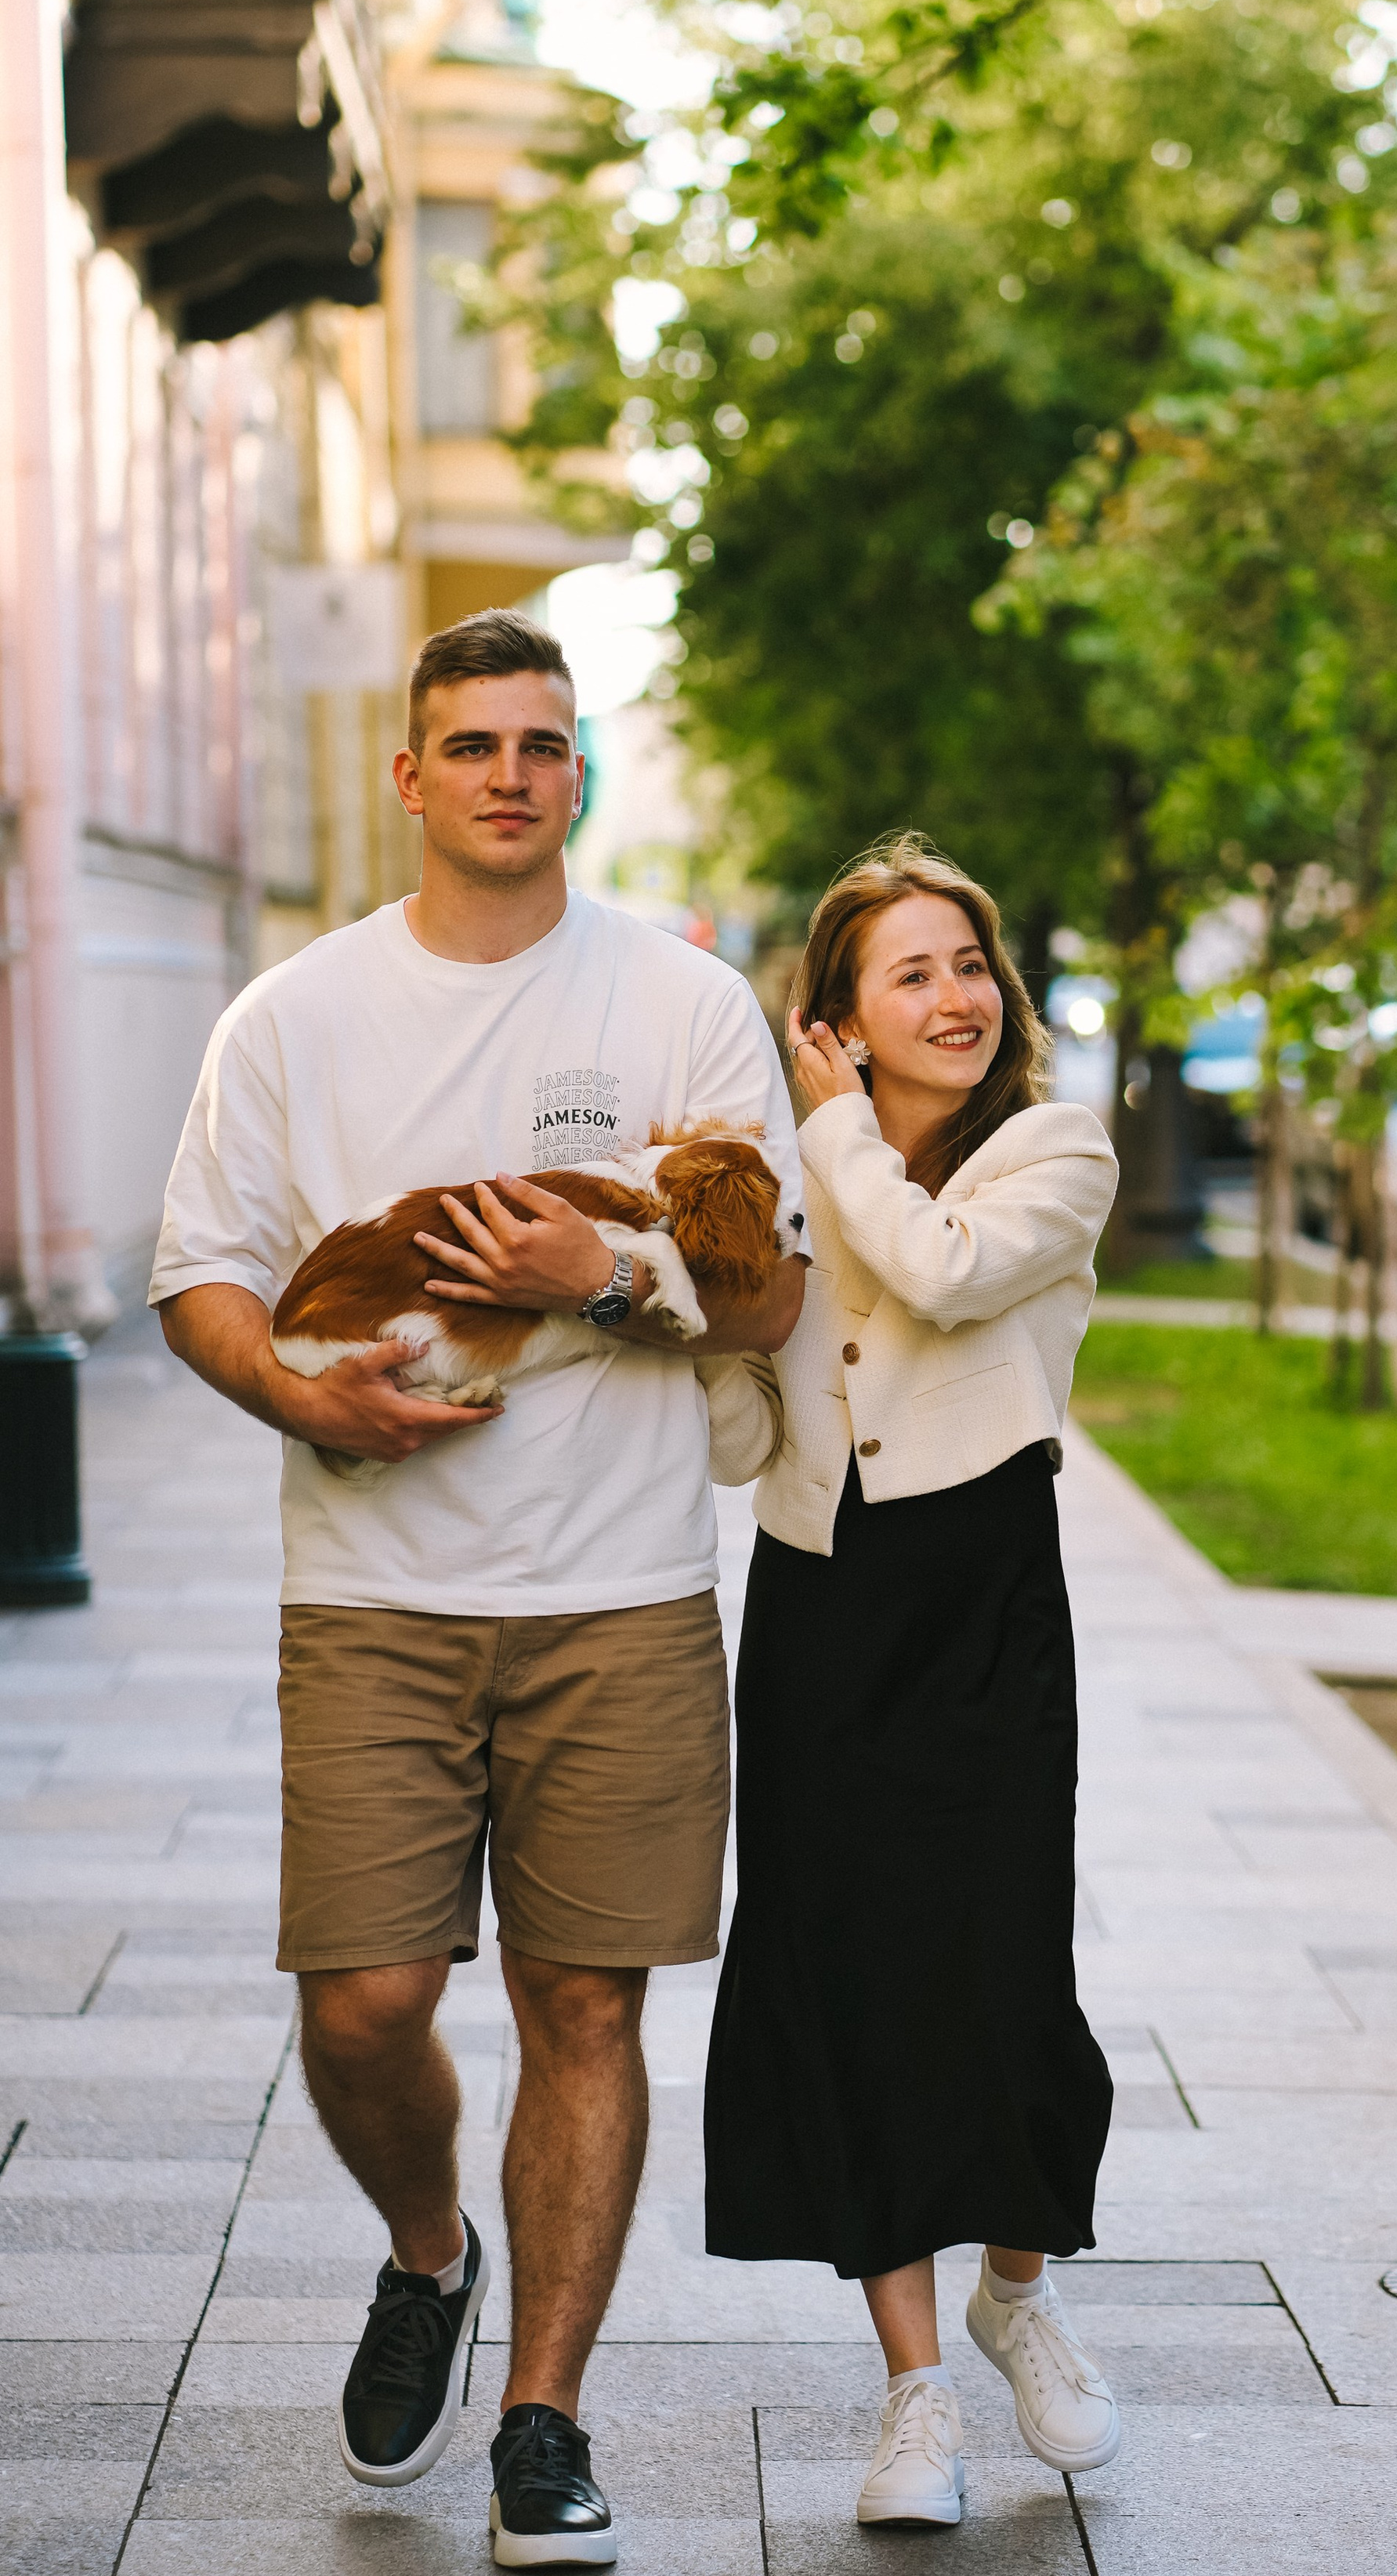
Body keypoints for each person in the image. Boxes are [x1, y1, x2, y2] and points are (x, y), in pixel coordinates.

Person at [150, 608, 805, 2571]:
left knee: (581, 2002)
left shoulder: (683, 1009)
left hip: (618, 1593)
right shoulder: (293, 1016)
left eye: (544, 742)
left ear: (576, 776)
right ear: (411, 774)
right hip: (368, 1589)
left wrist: (594, 1281)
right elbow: (202, 1274)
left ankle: (544, 2415)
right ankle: (428, 2252)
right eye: (474, 743)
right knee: (360, 2003)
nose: (511, 773)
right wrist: (289, 1384)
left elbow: (764, 1294)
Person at [704, 834, 1121, 2530]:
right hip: (819, 1607)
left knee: (1002, 1968)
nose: (955, 996)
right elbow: (747, 1431)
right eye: (911, 973)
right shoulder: (786, 1175)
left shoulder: (1052, 1146)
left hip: (984, 1605)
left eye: (968, 964)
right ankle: (912, 2394)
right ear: (841, 1016)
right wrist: (715, 1317)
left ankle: (1015, 2291)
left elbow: (941, 1270)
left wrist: (825, 1135)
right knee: (845, 1981)